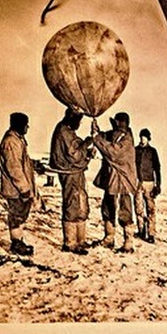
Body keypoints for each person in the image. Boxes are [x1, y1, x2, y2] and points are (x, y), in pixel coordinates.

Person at [91, 112, 139, 253]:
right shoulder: (117, 135)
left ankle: (128, 243)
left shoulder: (126, 140)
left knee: (125, 211)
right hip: (112, 180)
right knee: (107, 208)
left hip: (123, 181)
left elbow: (112, 152)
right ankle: (109, 238)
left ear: (119, 123)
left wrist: (97, 138)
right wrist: (97, 131)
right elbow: (105, 138)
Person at [49, 108, 94, 254]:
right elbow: (73, 154)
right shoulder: (64, 131)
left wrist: (87, 152)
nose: (79, 124)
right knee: (72, 204)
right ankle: (70, 243)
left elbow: (76, 149)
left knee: (80, 203)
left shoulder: (67, 130)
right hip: (69, 173)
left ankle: (80, 240)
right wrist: (86, 144)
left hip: (75, 172)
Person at [0, 112, 43, 257]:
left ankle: (19, 241)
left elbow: (22, 163)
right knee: (16, 216)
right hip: (15, 189)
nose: (27, 127)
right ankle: (16, 243)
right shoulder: (11, 142)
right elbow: (14, 168)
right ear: (18, 125)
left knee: (21, 214)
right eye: (25, 125)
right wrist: (24, 189)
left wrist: (34, 165)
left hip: (19, 188)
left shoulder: (18, 140)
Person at [134, 128, 162, 243]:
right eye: (141, 137)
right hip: (137, 183)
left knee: (151, 209)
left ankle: (151, 234)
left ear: (148, 138)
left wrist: (158, 185)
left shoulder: (152, 151)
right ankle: (141, 230)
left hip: (149, 183)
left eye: (144, 137)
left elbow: (157, 168)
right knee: (138, 209)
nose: (142, 139)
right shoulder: (135, 150)